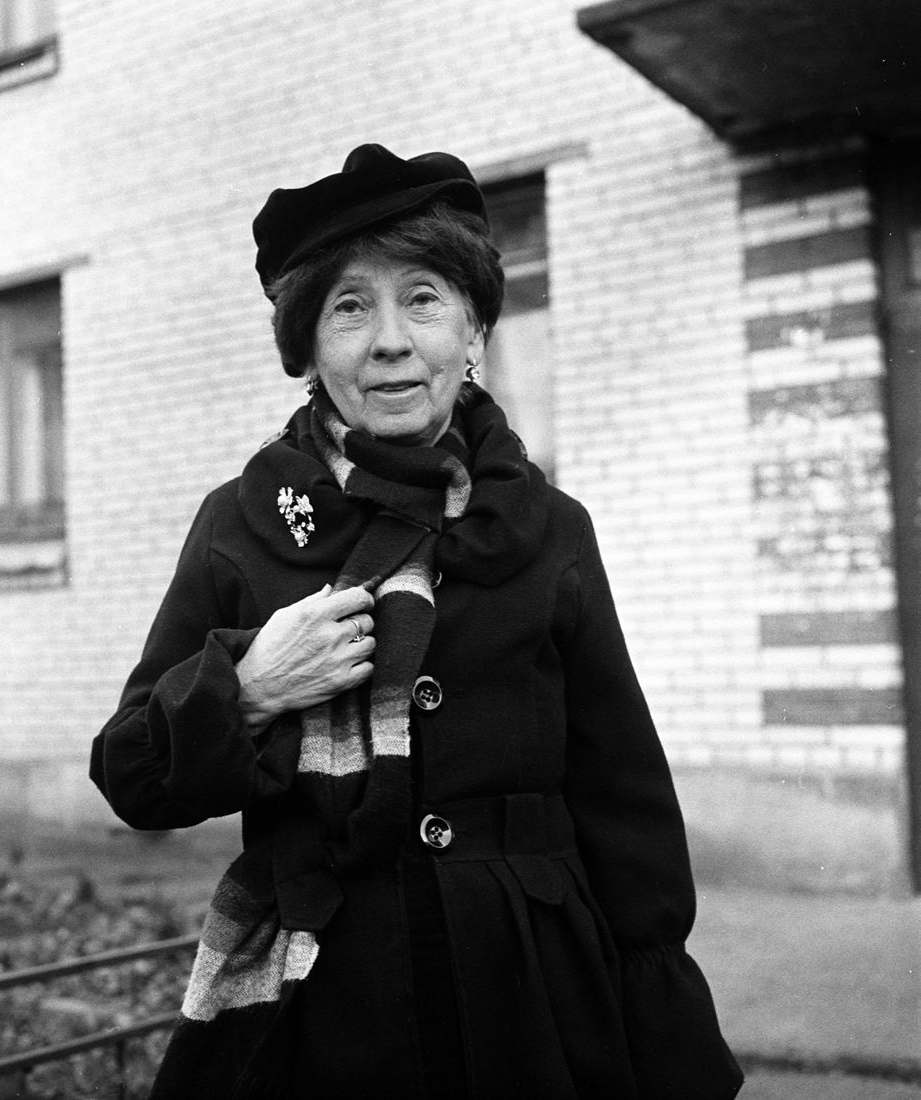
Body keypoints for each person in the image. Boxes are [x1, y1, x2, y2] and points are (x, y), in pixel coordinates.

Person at [90, 143, 744, 1099]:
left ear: (474, 327)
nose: (390, 340)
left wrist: (665, 1033)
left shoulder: (549, 528)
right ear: (307, 348)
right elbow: (132, 776)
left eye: (424, 298)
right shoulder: (242, 524)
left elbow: (623, 792)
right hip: (329, 1003)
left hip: (532, 993)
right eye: (349, 308)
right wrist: (251, 688)